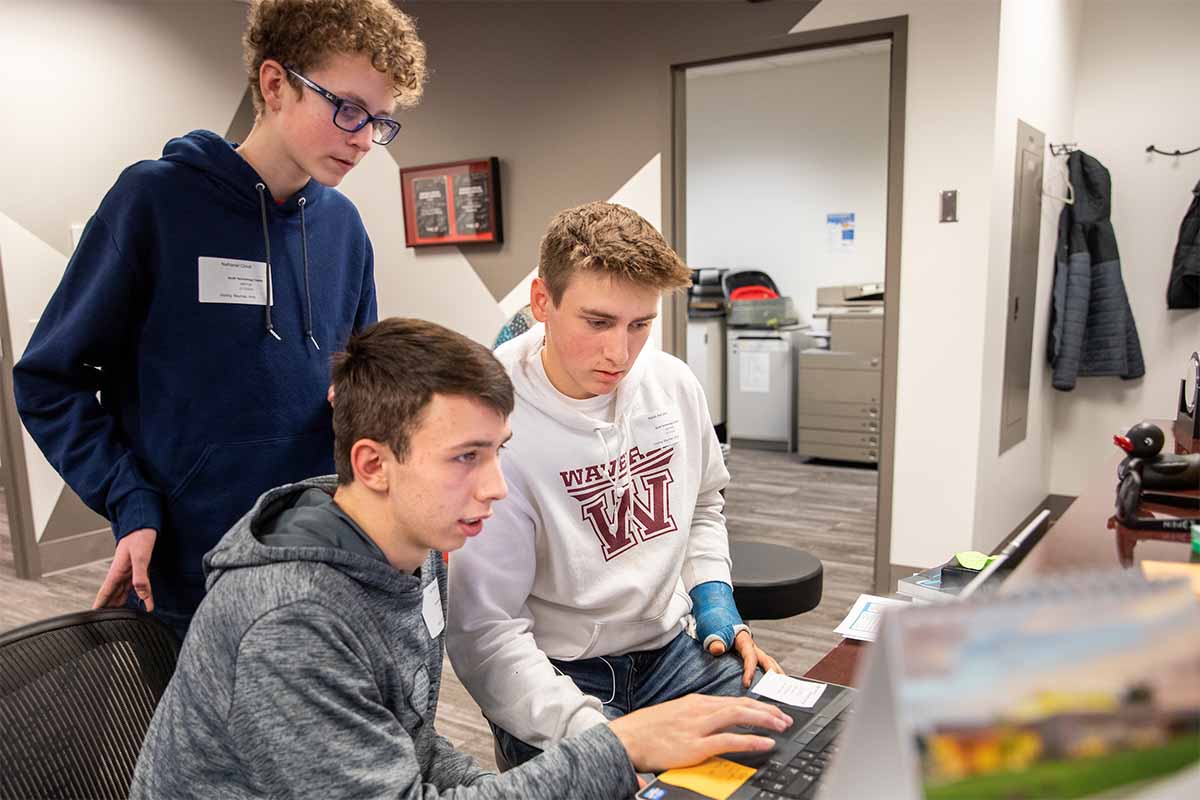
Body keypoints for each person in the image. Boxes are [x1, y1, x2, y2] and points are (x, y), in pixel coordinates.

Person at [130, 318, 792, 799]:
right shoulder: (291, 626)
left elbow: (405, 743)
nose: (496, 486)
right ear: (373, 464)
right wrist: (618, 747)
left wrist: (493, 781)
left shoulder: (408, 549)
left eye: (498, 450)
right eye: (465, 458)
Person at [12, 0, 426, 639]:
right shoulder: (155, 201)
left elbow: (356, 387)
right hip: (187, 570)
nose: (364, 138)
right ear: (275, 85)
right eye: (347, 109)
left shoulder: (344, 228)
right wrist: (129, 499)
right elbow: (48, 380)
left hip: (315, 562)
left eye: (380, 122)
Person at [446, 201, 785, 767]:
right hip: (554, 672)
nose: (620, 353)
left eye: (640, 325)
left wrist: (713, 596)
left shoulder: (672, 384)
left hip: (670, 649)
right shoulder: (490, 419)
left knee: (780, 743)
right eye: (598, 322)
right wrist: (610, 738)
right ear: (542, 303)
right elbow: (486, 633)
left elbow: (703, 503)